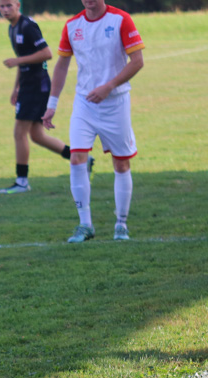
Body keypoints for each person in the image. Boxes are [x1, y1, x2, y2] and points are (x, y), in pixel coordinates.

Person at [42, 0, 144, 243]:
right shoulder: (72, 25)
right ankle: (85, 224)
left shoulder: (121, 19)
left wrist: (109, 86)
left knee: (121, 164)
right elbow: (62, 65)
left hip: (116, 102)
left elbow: (138, 61)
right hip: (85, 103)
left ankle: (121, 224)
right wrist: (52, 105)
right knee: (77, 158)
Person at [0, 0, 89, 195]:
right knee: (37, 136)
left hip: (37, 86)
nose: (5, 10)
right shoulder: (12, 29)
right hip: (28, 86)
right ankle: (83, 159)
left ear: (17, 5)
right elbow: (23, 62)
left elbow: (46, 53)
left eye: (8, 5)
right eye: (1, 6)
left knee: (19, 133)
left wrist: (17, 61)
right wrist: (16, 88)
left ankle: (22, 181)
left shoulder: (28, 26)